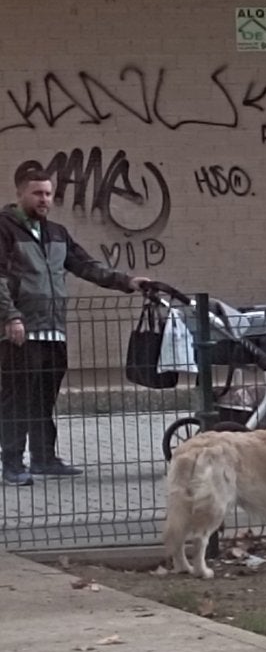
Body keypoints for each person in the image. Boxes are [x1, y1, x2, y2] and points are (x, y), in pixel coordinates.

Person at [0, 164, 152, 487]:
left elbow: (85, 265)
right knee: (17, 398)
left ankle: (44, 458)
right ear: (20, 192)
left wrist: (127, 282)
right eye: (37, 193)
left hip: (53, 330)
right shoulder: (4, 228)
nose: (44, 199)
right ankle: (12, 463)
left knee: (44, 398)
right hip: (20, 331)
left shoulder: (56, 232)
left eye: (48, 194)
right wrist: (10, 317)